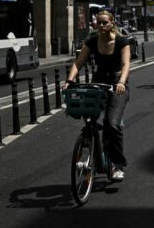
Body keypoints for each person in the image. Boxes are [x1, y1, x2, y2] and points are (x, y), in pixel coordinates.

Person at [64, 10, 130, 182]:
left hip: (117, 84)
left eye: (104, 22)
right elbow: (78, 62)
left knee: (112, 124)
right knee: (92, 120)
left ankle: (117, 164)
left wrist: (122, 82)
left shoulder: (122, 41)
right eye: (98, 22)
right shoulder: (92, 42)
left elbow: (125, 65)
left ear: (112, 23)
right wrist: (70, 80)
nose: (100, 26)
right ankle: (94, 153)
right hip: (99, 81)